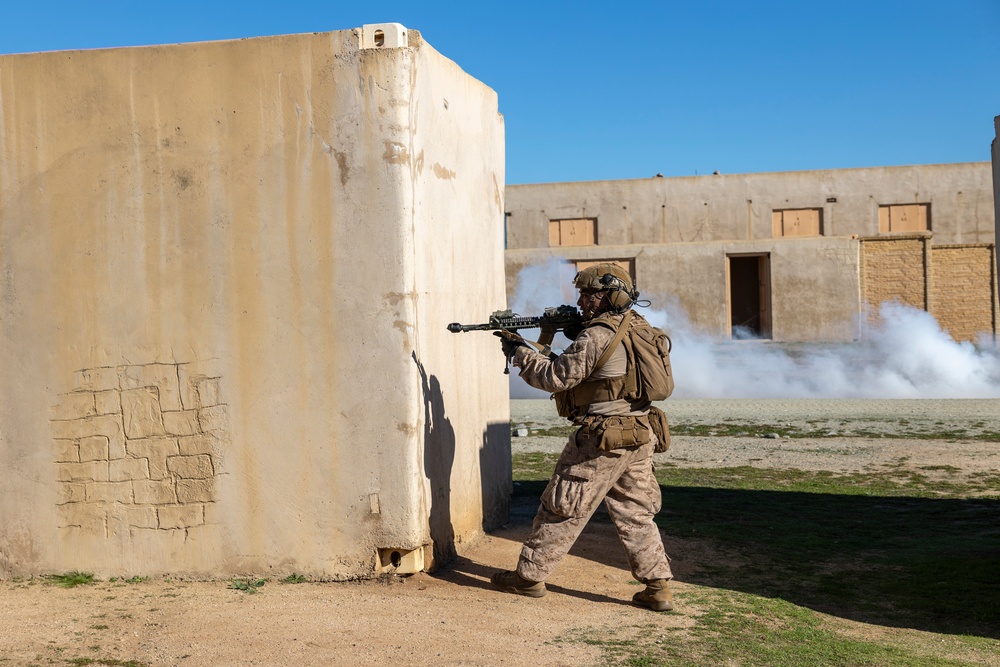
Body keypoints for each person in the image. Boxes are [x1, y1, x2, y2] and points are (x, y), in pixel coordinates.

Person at [491, 263, 674, 612]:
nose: (583, 301)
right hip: (638, 433)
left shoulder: (597, 335)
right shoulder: (639, 326)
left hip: (602, 440)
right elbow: (603, 371)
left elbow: (555, 378)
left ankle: (528, 577)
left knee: (562, 506)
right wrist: (551, 336)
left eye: (590, 294)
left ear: (611, 295)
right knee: (636, 512)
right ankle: (658, 585)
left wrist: (518, 350)